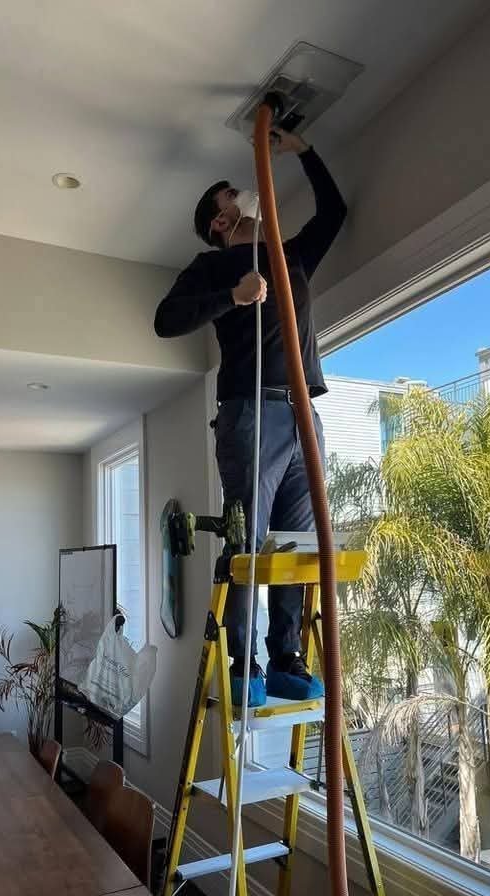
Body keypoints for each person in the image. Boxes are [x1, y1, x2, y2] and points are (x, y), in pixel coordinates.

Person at [154, 127, 346, 706]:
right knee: (250, 541)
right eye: (231, 196)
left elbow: (334, 212)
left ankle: (286, 657)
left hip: (302, 413)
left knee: (294, 545)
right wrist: (232, 297)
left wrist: (304, 151)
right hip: (249, 412)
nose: (245, 197)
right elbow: (166, 319)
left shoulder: (290, 256)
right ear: (219, 221)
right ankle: (244, 665)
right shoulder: (212, 266)